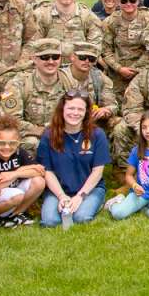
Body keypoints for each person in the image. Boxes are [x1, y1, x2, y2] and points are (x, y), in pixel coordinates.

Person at [37, 93, 110, 227]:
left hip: (90, 189)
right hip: (58, 190)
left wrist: (80, 196)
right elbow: (47, 171)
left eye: (80, 109)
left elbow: (97, 171)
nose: (75, 113)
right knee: (50, 221)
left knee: (81, 218)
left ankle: (99, 203)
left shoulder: (97, 134)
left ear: (86, 112)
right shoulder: (48, 135)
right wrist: (61, 196)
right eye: (71, 108)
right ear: (62, 110)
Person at [0, 118, 46, 226]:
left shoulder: (20, 153)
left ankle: (15, 215)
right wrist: (23, 171)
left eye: (12, 143)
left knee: (39, 182)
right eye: (2, 143)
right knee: (17, 194)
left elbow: (40, 170)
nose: (7, 147)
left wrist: (15, 173)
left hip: (14, 192)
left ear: (18, 142)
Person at [107, 110, 149, 220]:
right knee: (118, 214)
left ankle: (142, 208)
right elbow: (129, 175)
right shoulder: (137, 150)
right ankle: (115, 203)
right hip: (140, 194)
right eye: (144, 128)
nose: (147, 131)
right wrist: (134, 186)